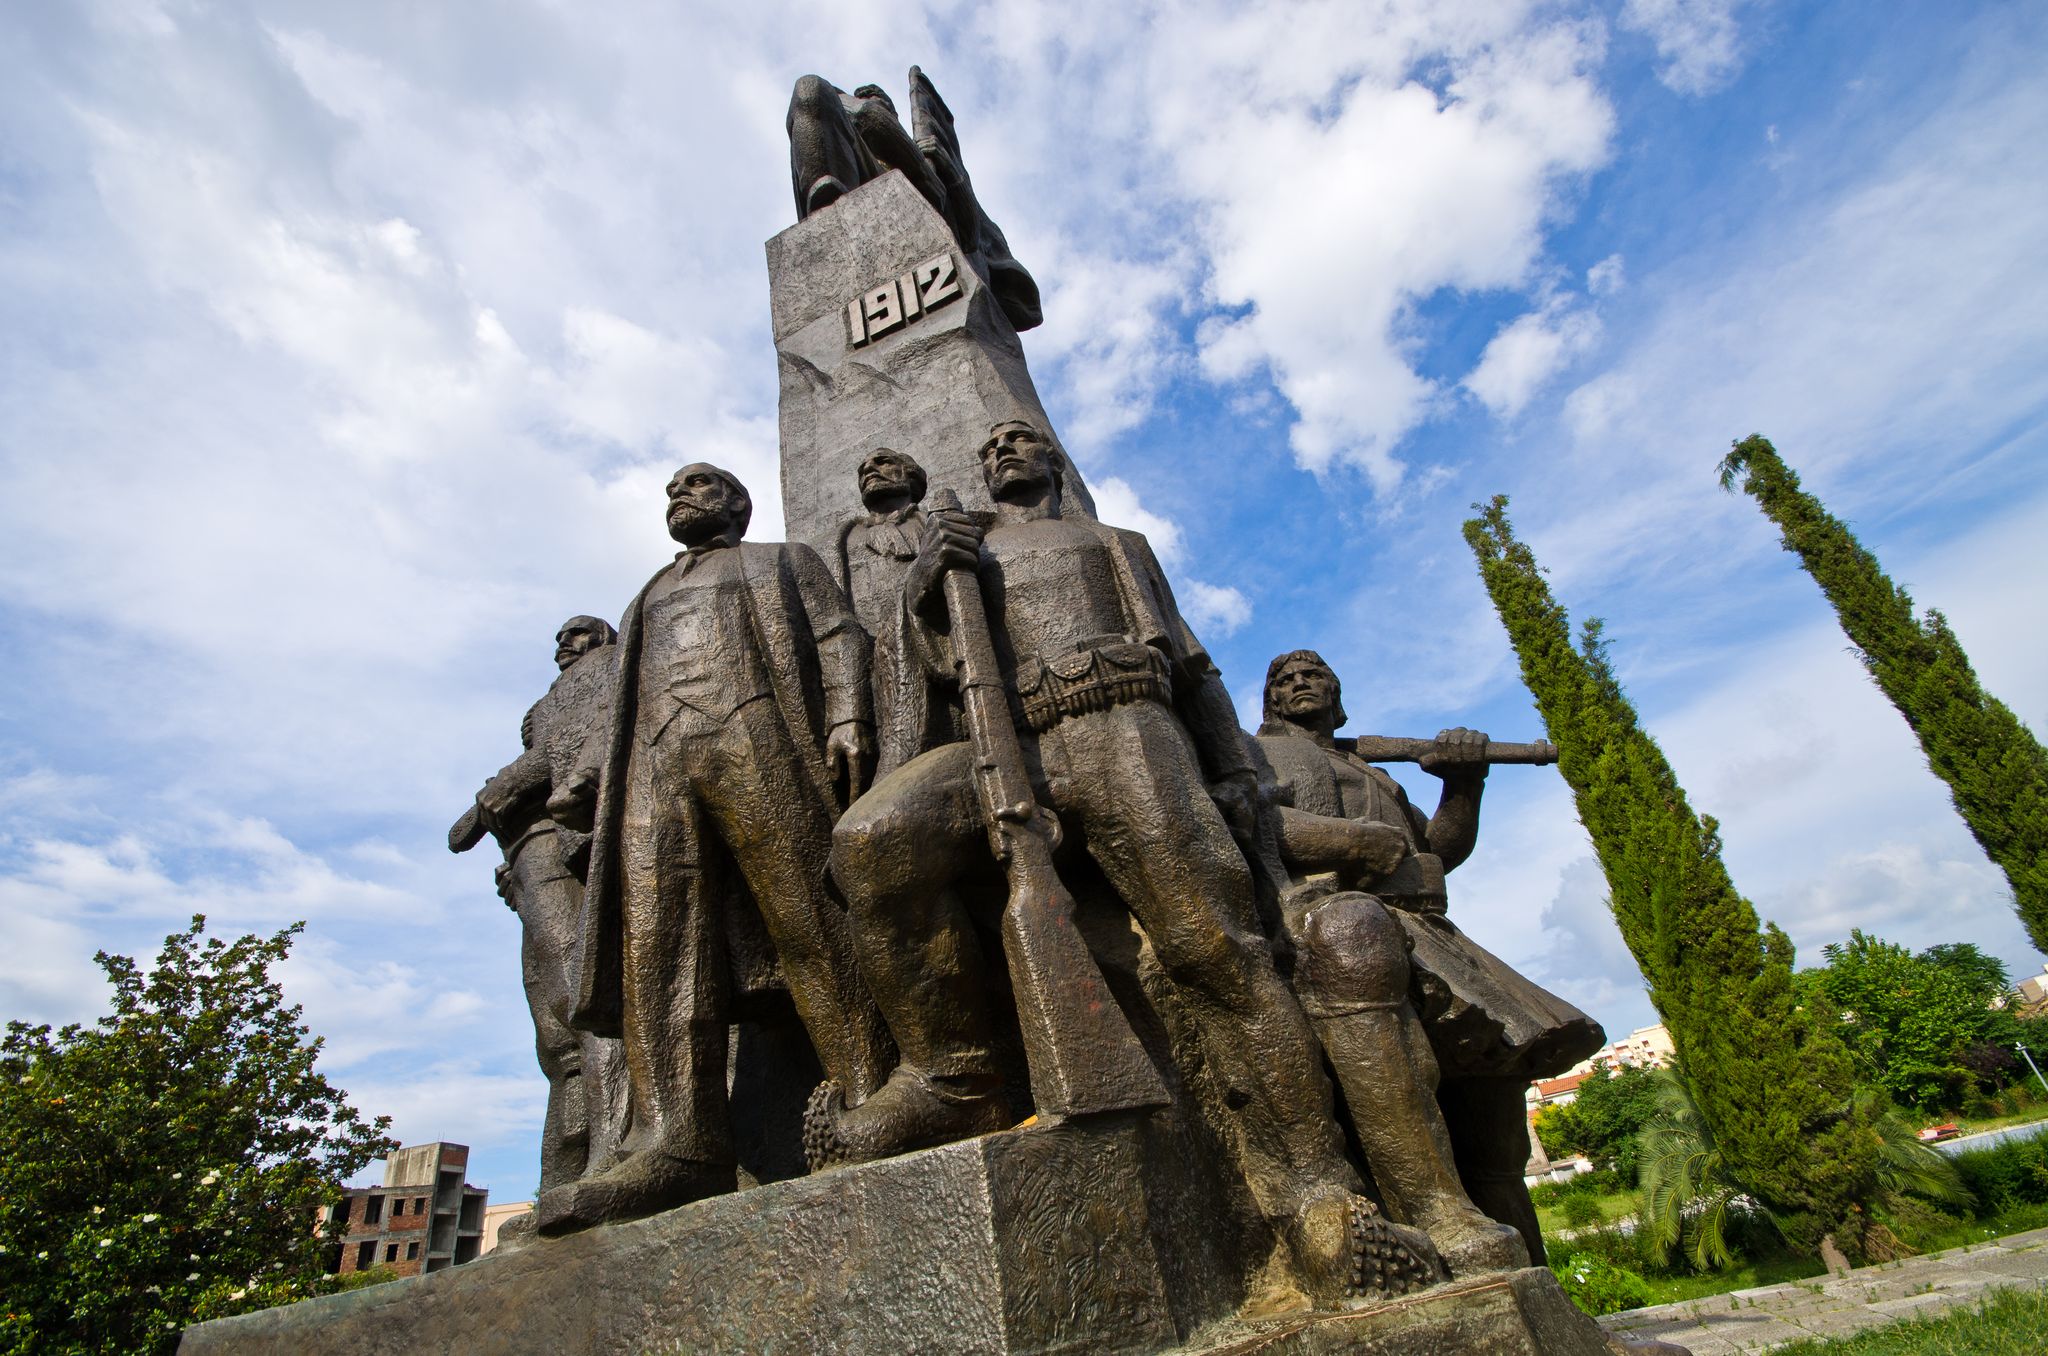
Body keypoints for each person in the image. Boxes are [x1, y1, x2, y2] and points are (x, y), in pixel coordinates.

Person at [827, 421, 1437, 1305]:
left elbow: (1194, 669)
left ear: (1054, 464)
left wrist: (1231, 769)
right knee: (871, 845)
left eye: (1020, 441)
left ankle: (1317, 1192)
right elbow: (922, 663)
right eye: (991, 443)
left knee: (1210, 945)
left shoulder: (1114, 542)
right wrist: (922, 584)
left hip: (1124, 727)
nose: (1003, 450)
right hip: (1008, 737)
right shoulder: (965, 548)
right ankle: (954, 1076)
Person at [543, 464, 893, 1234]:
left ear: (737, 504)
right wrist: (592, 775)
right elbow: (622, 702)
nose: (680, 495)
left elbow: (840, 635)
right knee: (656, 943)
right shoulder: (642, 600)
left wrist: (846, 716)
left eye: (699, 485)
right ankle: (680, 1141)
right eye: (673, 489)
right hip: (655, 766)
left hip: (753, 730)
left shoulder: (781, 560)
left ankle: (869, 1090)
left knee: (806, 910)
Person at [1255, 650, 1604, 1262]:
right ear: (1272, 702)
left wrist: (1464, 784)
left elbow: (1438, 849)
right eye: (1285, 680)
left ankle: (1537, 1291)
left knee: (1494, 1132)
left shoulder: (1370, 771)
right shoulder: (1259, 755)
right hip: (1352, 933)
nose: (1300, 683)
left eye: (1314, 676)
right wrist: (1353, 840)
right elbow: (1255, 821)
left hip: (1433, 936)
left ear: (1338, 697)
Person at [454, 616, 628, 1210]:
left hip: (565, 844)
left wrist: (494, 796)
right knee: (558, 1034)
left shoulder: (605, 672)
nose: (564, 643)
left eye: (578, 632)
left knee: (584, 1001)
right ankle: (566, 1176)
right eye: (560, 636)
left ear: (603, 639)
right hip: (532, 858)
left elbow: (566, 753)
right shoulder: (558, 697)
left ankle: (608, 1156)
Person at [786, 69, 1042, 332]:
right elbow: (860, 116)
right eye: (859, 100)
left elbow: (1023, 304)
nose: (866, 101)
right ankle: (828, 209)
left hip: (930, 227)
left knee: (872, 120)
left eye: (877, 99)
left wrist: (951, 176)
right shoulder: (854, 144)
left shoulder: (936, 159)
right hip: (855, 206)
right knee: (809, 88)